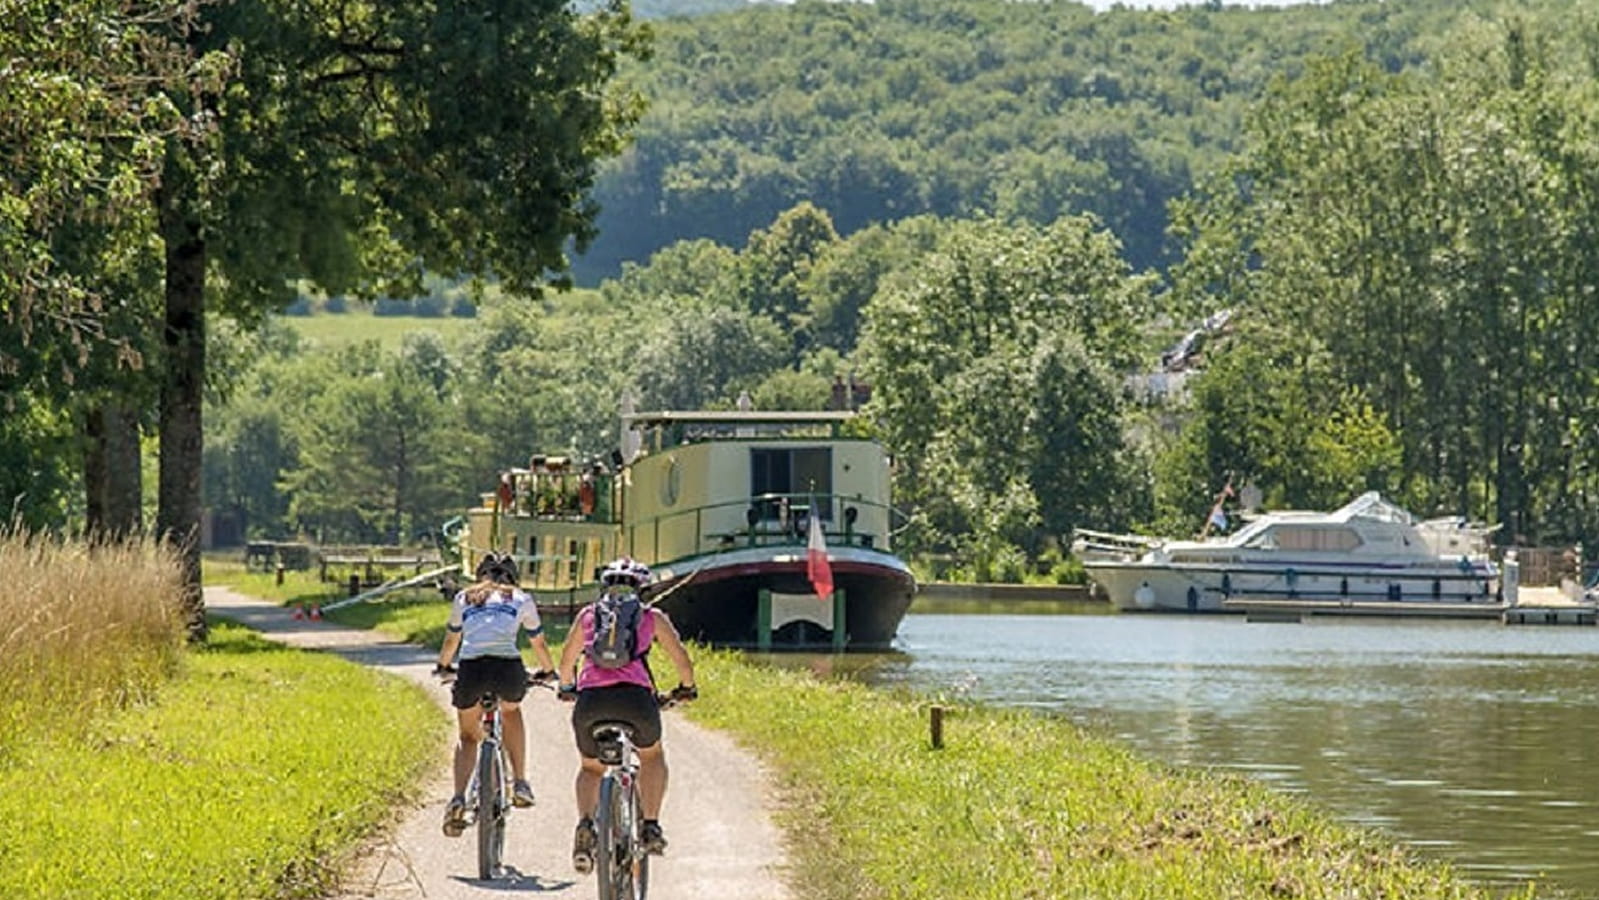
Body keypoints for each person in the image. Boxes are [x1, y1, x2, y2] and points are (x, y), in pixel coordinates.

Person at [557, 557, 697, 873]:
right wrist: (686, 687)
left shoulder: (588, 615)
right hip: (636, 700)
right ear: (642, 588)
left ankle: (585, 824)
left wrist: (567, 687)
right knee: (651, 756)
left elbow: (567, 661)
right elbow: (682, 660)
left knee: (591, 768)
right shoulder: (652, 617)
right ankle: (650, 825)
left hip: (591, 702)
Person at [432, 552, 556, 837]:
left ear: (480, 575)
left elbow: (453, 638)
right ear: (513, 577)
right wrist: (548, 671)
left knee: (467, 736)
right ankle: (521, 782)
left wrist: (443, 666)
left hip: (472, 668)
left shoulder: (464, 597)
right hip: (506, 667)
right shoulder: (521, 598)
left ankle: (459, 797)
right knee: (511, 711)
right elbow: (538, 642)